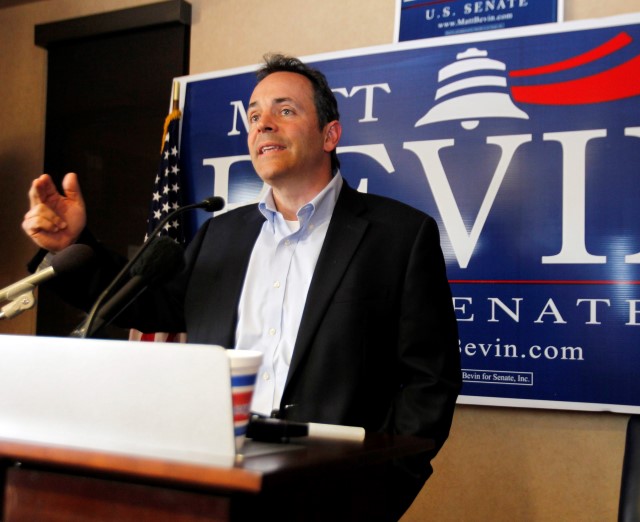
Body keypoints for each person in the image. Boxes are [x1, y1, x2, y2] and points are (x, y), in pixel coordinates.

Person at [22, 54, 461, 519]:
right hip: (217, 488)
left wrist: (380, 490)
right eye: (254, 115)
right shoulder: (220, 234)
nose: (263, 125)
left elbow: (428, 380)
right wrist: (74, 244)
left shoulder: (399, 235)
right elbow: (148, 303)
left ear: (330, 134)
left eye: (285, 110)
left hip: (335, 493)